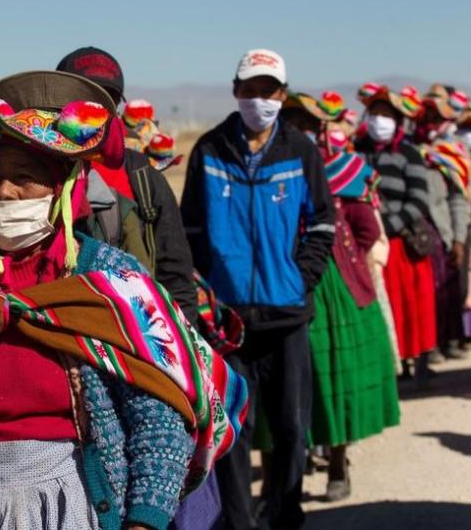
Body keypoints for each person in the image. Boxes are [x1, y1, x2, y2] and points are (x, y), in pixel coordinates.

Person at [0, 71, 248, 530]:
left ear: (62, 190)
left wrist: (144, 519)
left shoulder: (110, 282)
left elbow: (156, 415)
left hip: (64, 506)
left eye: (25, 178)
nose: (3, 192)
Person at [181, 49, 335, 530]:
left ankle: (286, 513)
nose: (259, 100)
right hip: (229, 323)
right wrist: (208, 295)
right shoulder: (209, 149)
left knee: (291, 426)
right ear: (235, 91)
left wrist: (299, 277)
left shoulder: (300, 150)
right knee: (233, 430)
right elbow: (190, 234)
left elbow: (323, 225)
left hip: (287, 313)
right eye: (250, 90)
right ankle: (240, 522)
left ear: (282, 96)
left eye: (268, 91)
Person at [280, 92, 400, 502]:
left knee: (333, 374)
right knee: (293, 379)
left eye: (306, 126)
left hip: (334, 283)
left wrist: (349, 264)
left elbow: (367, 230)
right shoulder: (270, 172)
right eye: (291, 123)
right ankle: (289, 475)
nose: (298, 133)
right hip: (284, 281)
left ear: (320, 131)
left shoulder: (346, 172)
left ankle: (337, 462)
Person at [56, 47, 198, 321]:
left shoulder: (143, 174)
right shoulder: (35, 170)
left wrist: (180, 337)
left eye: (105, 98)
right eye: (83, 96)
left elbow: (175, 273)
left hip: (134, 333)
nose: (94, 108)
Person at [354, 83, 438, 382]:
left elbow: (418, 201)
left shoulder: (409, 154)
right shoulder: (358, 151)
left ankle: (420, 365)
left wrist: (385, 227)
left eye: (386, 114)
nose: (379, 120)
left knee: (413, 307)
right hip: (370, 244)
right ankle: (392, 364)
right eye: (374, 113)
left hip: (403, 242)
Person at [412, 84, 471, 360]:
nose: (430, 124)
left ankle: (451, 338)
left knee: (450, 288)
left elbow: (458, 200)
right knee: (424, 292)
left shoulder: (450, 154)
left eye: (436, 119)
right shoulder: (410, 152)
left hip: (444, 232)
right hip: (416, 232)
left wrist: (459, 238)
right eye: (426, 119)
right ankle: (428, 344)